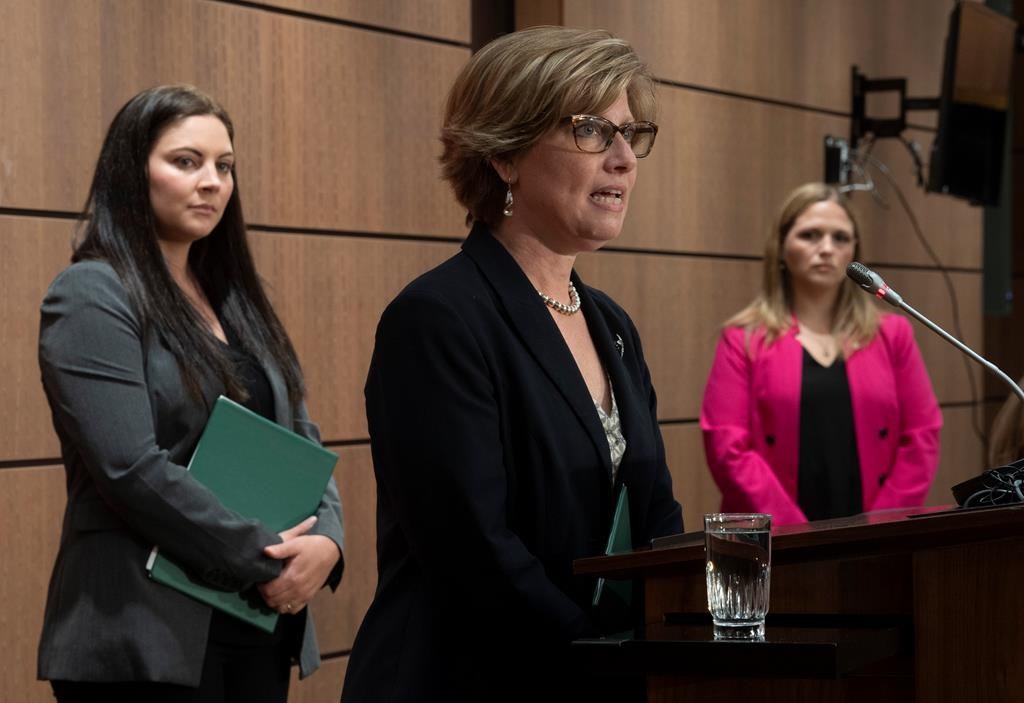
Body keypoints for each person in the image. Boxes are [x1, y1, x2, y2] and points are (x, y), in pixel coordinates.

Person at [341, 26, 682, 702]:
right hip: (466, 679)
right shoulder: (439, 318)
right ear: (504, 155)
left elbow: (658, 518)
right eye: (592, 131)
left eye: (631, 134)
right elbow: (474, 549)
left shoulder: (611, 326)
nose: (623, 159)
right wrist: (599, 655)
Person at [36, 85, 344, 703]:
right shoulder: (92, 293)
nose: (212, 182)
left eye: (224, 166)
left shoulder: (237, 297)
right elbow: (129, 468)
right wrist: (265, 554)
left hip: (253, 621)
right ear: (131, 172)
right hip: (143, 631)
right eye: (186, 161)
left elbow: (301, 440)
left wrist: (328, 545)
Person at [701, 183, 942, 525]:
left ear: (855, 252)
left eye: (841, 238)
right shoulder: (742, 339)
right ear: (781, 248)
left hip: (877, 542)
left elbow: (922, 437)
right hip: (776, 540)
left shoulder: (893, 335)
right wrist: (796, 533)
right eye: (810, 235)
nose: (826, 248)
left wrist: (879, 528)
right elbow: (728, 448)